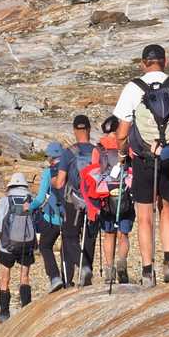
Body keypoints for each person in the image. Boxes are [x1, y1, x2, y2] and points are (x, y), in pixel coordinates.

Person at [113, 44, 169, 286]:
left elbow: (122, 132)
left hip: (142, 159)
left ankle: (148, 270)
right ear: (165, 61)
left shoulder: (133, 88)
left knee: (144, 214)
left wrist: (123, 153)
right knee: (167, 208)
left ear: (142, 63)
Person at [81, 116, 134, 284]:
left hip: (105, 197)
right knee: (123, 234)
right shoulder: (126, 146)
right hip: (124, 194)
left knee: (108, 234)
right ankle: (122, 263)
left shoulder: (98, 148)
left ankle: (109, 269)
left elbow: (94, 173)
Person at [0, 172, 37, 321]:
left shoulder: (5, 201)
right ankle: (26, 313)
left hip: (7, 245)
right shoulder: (31, 199)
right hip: (27, 244)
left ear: (11, 185)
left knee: (4, 277)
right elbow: (36, 224)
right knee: (25, 276)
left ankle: (4, 314)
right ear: (25, 186)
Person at [59, 114, 97, 286]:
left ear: (75, 130)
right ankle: (87, 271)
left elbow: (60, 181)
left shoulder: (69, 152)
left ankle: (82, 267)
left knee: (69, 235)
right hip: (94, 200)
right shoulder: (97, 151)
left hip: (73, 199)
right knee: (89, 236)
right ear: (89, 129)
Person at [29, 142, 69, 291]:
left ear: (51, 157)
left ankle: (55, 277)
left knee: (45, 246)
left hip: (51, 217)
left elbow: (40, 199)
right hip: (69, 216)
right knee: (67, 247)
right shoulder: (69, 168)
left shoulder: (48, 172)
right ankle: (68, 280)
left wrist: (29, 207)